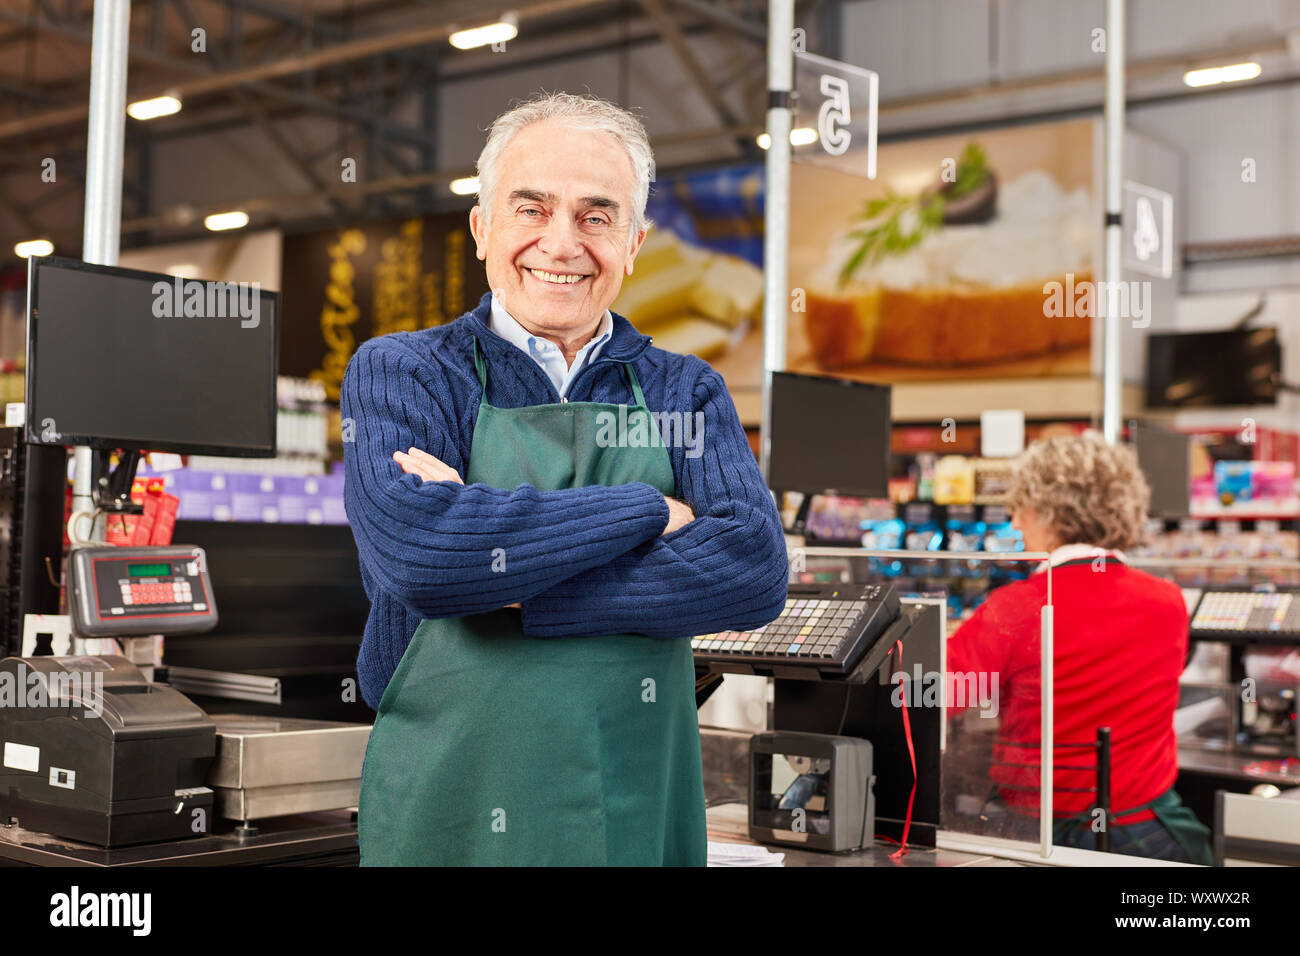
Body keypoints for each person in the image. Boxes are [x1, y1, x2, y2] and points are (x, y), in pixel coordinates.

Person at [340, 91, 788, 866]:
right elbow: (424, 560)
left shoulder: (687, 390)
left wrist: (509, 584)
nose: (561, 242)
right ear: (483, 228)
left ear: (635, 242)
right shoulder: (404, 370)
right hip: (451, 806)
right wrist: (650, 510)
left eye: (596, 216)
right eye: (532, 209)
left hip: (635, 800)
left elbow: (751, 573)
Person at [946, 432, 1212, 864]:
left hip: (1039, 834)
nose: (1015, 523)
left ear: (1048, 512)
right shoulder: (1169, 600)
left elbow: (937, 695)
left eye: (1020, 508)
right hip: (1146, 829)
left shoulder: (1018, 606)